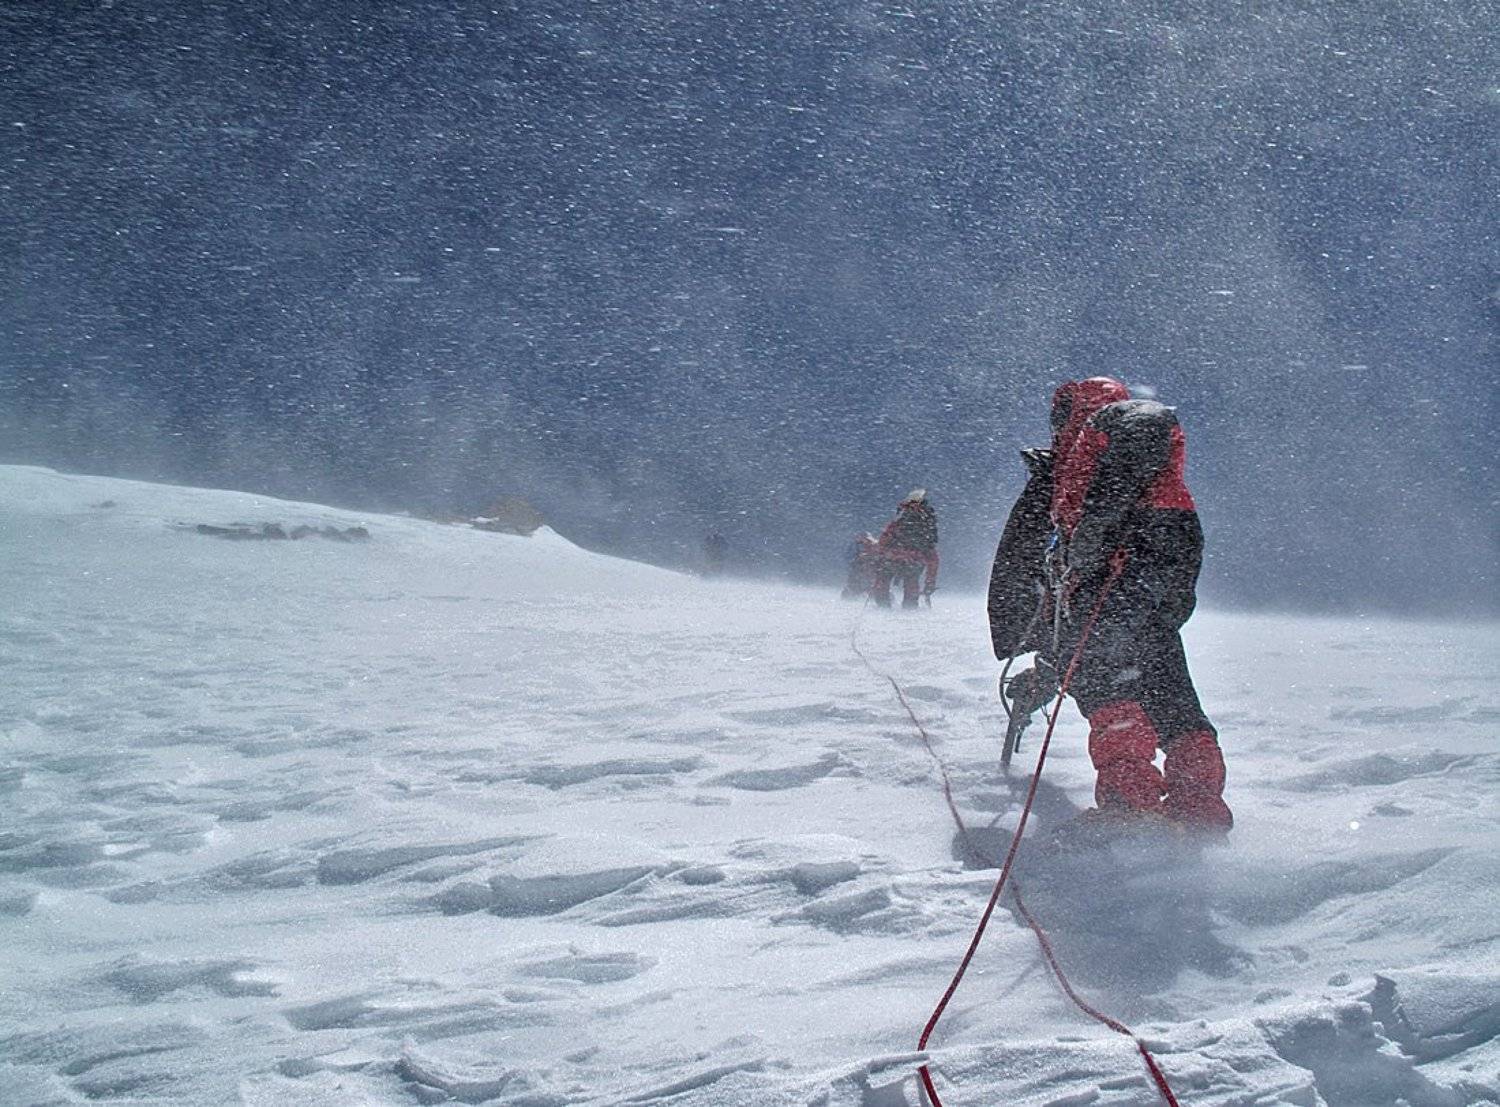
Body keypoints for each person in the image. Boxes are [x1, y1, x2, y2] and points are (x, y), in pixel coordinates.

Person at [987, 377, 1232, 831]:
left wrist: (1092, 537)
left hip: (1122, 570)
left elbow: (1146, 431)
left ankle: (1130, 802)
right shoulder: (1080, 459)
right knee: (1163, 679)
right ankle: (1197, 805)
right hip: (1155, 577)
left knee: (1101, 677)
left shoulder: (1109, 426)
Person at [873, 489, 939, 609]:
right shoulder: (926, 527)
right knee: (911, 583)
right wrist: (930, 581)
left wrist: (881, 555)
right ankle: (910, 608)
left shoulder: (899, 520)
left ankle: (883, 607)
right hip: (914, 561)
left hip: (892, 559)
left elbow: (884, 540)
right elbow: (932, 558)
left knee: (883, 581)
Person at [841, 532, 881, 600]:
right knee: (854, 579)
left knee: (872, 580)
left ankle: (873, 593)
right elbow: (849, 557)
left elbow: (876, 554)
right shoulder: (857, 545)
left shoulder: (873, 544)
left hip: (870, 567)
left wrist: (866, 557)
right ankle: (853, 592)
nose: (862, 541)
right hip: (860, 566)